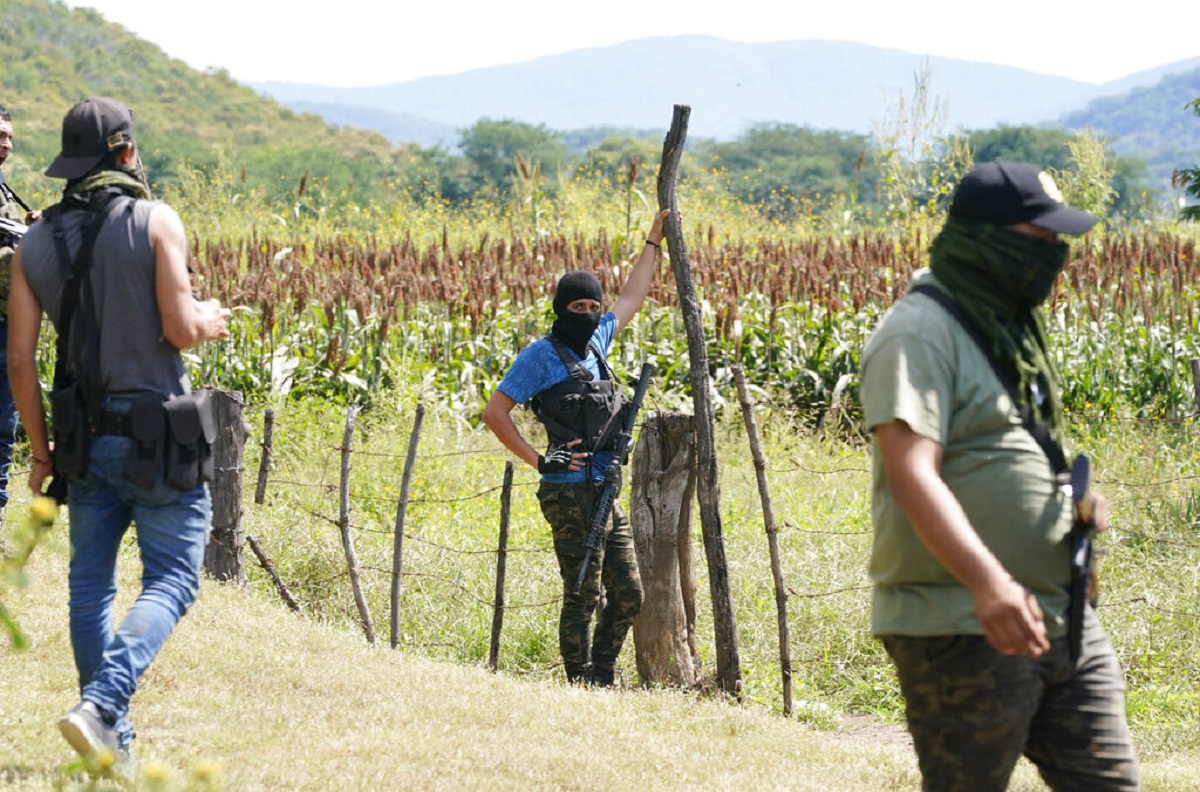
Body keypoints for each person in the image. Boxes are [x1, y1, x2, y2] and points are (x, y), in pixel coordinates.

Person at [860, 161, 1139, 790]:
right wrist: (989, 583)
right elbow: (910, 470)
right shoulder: (919, 331)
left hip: (1060, 615)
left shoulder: (1006, 324)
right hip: (965, 619)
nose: (1054, 256)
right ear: (987, 240)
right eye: (1039, 241)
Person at [8, 97, 230, 779]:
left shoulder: (33, 241)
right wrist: (211, 316)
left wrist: (42, 453)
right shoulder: (155, 218)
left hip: (81, 440)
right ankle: (103, 705)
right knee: (171, 580)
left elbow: (20, 359)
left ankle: (111, 740)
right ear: (127, 151)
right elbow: (179, 327)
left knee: (89, 589)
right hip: (158, 437)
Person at [482, 208, 669, 687]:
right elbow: (495, 412)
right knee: (582, 592)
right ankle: (580, 681)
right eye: (577, 308)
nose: (587, 315)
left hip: (604, 487)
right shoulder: (541, 356)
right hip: (567, 491)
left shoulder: (600, 344)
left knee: (628, 595)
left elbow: (632, 295)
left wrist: (653, 241)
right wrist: (541, 460)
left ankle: (601, 674)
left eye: (592, 307)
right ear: (560, 309)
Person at [0, 104, 41, 523]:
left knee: (2, 429)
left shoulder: (5, 189)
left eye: (9, 136)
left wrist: (32, 227)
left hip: (9, 327)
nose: (5, 144)